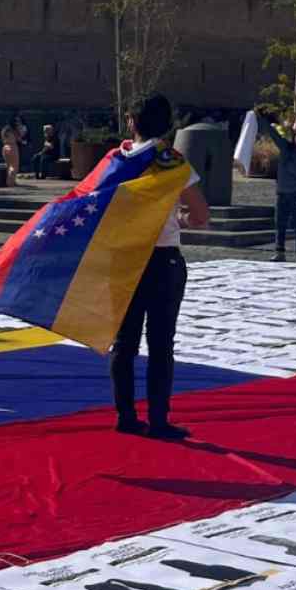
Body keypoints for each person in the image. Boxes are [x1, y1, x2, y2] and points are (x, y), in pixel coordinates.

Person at [112, 94, 211, 440]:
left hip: (124, 259)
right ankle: (158, 419)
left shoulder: (115, 160)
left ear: (131, 122)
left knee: (125, 343)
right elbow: (200, 215)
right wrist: (178, 219)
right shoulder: (170, 161)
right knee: (160, 343)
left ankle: (125, 415)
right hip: (161, 259)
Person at [257, 118, 296, 262]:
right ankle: (280, 251)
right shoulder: (286, 147)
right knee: (280, 222)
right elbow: (275, 135)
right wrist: (262, 119)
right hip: (282, 192)